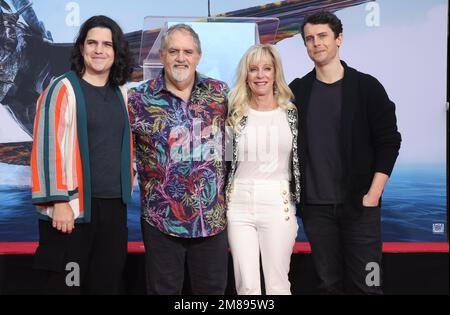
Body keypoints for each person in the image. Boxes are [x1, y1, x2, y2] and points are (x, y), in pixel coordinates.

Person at [289, 11, 402, 294]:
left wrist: (373, 195)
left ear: (339, 38)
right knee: (328, 285)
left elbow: (389, 142)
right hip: (315, 208)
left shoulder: (367, 87)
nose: (316, 43)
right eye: (309, 39)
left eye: (323, 36)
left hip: (360, 207)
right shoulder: (297, 91)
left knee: (369, 283)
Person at [31, 15, 134, 294]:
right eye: (92, 43)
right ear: (81, 48)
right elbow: (45, 147)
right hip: (72, 212)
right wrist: (58, 201)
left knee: (106, 285)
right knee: (67, 286)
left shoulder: (121, 92)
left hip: (114, 210)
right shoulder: (61, 88)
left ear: (116, 51)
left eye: (106, 44)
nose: (99, 50)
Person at [128, 24, 229, 295]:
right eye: (173, 51)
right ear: (162, 56)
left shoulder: (220, 94)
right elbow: (124, 155)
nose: (180, 58)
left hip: (212, 219)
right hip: (161, 221)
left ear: (198, 56)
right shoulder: (138, 98)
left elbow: (234, 148)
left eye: (188, 51)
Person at [226, 44, 300, 295]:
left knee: (278, 285)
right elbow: (223, 161)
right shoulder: (235, 115)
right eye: (253, 69)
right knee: (246, 286)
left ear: (275, 72)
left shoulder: (291, 114)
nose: (260, 75)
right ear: (246, 75)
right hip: (238, 204)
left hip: (278, 201)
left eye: (267, 69)